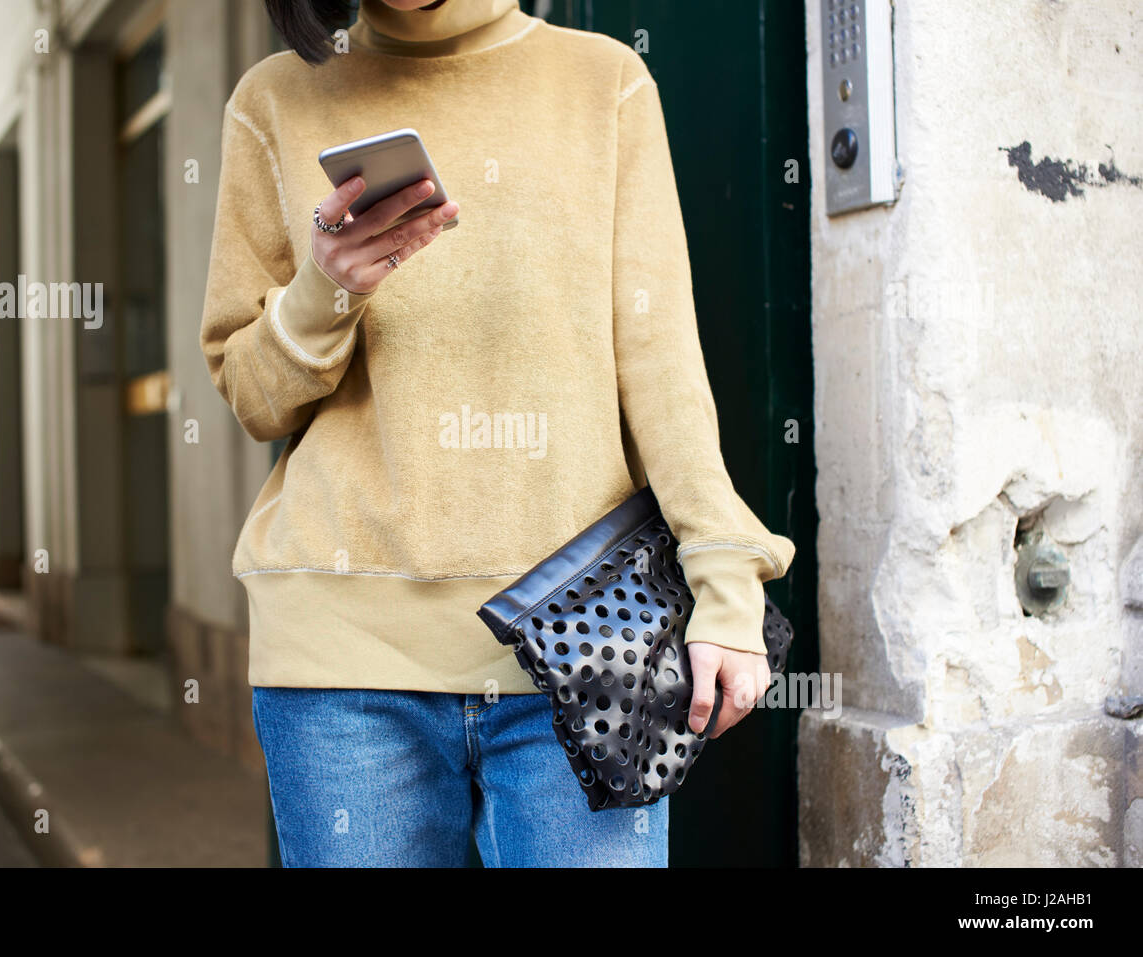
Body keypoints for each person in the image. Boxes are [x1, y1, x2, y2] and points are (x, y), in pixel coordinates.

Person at [199, 0, 796, 867]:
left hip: (588, 644)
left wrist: (727, 579)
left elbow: (662, 367)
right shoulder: (274, 100)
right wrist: (324, 289)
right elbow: (252, 396)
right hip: (342, 671)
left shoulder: (606, 83)